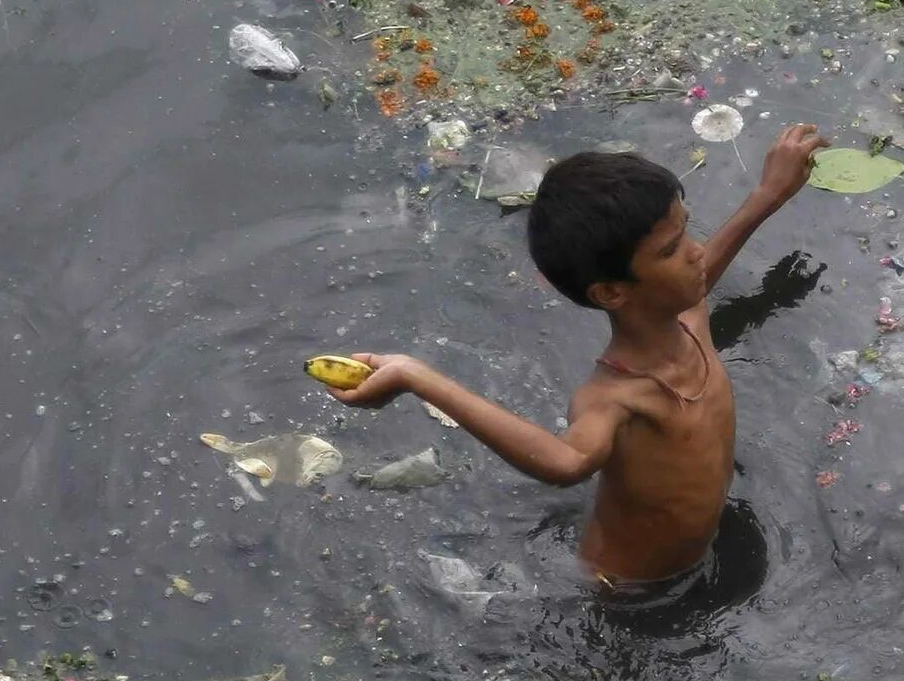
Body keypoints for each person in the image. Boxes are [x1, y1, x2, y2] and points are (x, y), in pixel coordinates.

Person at [325, 125, 826, 586]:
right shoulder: (615, 398)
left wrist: (769, 194)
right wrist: (417, 376)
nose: (696, 252)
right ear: (610, 292)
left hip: (700, 552)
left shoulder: (687, 320)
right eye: (672, 250)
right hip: (628, 588)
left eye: (688, 232)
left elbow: (700, 278)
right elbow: (566, 463)